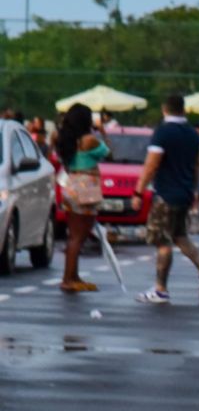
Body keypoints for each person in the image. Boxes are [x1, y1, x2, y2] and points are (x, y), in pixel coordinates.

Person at [132, 94, 199, 304]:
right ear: (183, 109)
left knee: (162, 241)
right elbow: (198, 164)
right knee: (180, 236)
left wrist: (138, 191)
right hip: (185, 193)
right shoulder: (192, 134)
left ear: (164, 108)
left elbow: (151, 164)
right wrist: (195, 190)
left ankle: (161, 289)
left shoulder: (163, 133)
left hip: (165, 194)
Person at [56, 103, 108, 293]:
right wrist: (102, 131)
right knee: (79, 236)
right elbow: (108, 152)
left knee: (73, 235)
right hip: (86, 187)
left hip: (70, 184)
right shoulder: (89, 140)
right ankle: (68, 279)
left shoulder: (64, 139)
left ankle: (73, 276)